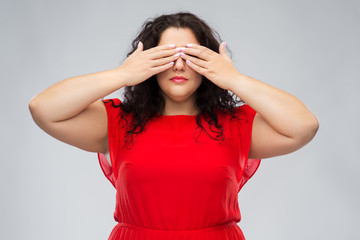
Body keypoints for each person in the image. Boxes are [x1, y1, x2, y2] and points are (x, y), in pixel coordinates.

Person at [29, 12, 319, 240]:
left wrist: (233, 78)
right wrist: (122, 74)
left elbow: (304, 126)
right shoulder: (119, 122)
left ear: (208, 62)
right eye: (166, 56)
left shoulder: (235, 125)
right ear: (148, 62)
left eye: (190, 56)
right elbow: (43, 108)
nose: (178, 66)